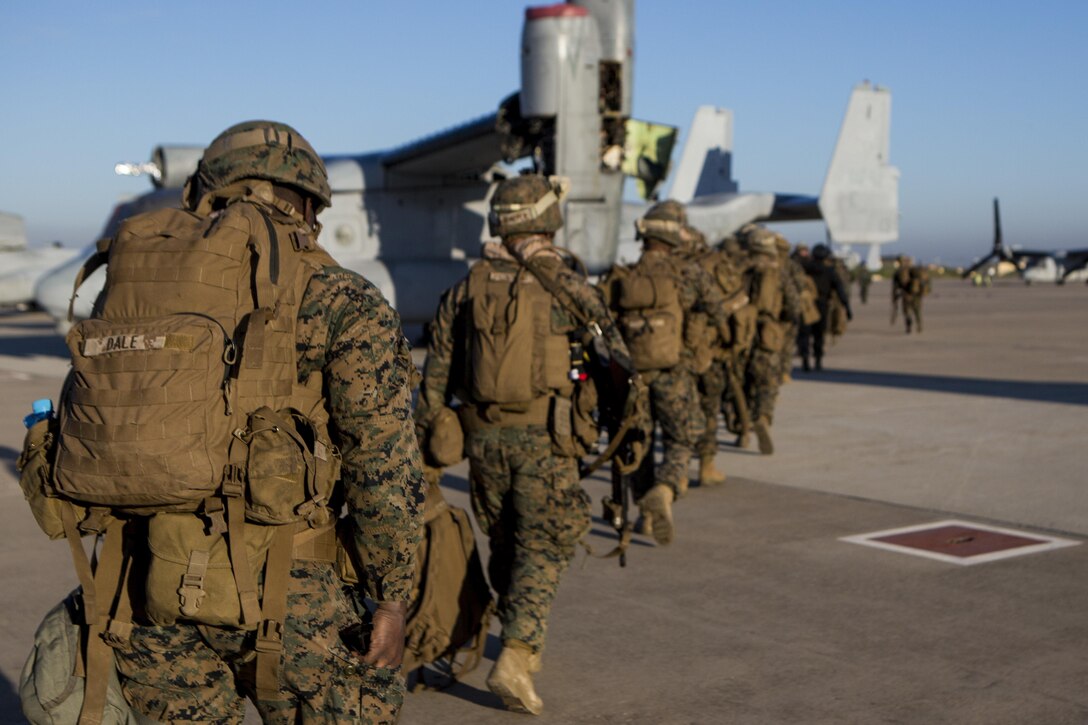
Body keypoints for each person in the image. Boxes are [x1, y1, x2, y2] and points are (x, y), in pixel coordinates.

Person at [58, 121, 426, 724]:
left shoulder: (138, 285)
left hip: (146, 591)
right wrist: (391, 600)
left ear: (206, 193)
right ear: (308, 202)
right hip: (290, 596)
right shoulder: (343, 299)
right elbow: (383, 467)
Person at [416, 174, 635, 715]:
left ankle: (518, 631)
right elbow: (621, 366)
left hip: (484, 440)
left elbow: (434, 382)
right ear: (546, 220)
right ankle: (516, 653)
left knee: (507, 540)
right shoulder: (569, 287)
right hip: (547, 438)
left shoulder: (464, 290)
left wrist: (428, 450)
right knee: (546, 542)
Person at [600, 201, 736, 537]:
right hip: (677, 372)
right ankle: (666, 490)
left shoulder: (625, 275)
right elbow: (719, 315)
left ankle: (645, 513)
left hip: (636, 376)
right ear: (675, 236)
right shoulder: (689, 273)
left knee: (640, 444)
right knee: (680, 438)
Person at [734, 226, 800, 454]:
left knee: (740, 383)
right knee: (767, 382)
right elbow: (794, 306)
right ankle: (762, 417)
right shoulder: (780, 272)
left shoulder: (740, 268)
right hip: (769, 332)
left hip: (741, 331)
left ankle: (742, 429)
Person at [798, 243, 853, 371]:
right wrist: (847, 307)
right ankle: (818, 360)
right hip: (822, 305)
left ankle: (805, 359)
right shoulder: (829, 271)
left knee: (804, 334)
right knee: (819, 335)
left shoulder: (804, 268)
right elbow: (840, 290)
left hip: (806, 306)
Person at [892, 254, 927, 333]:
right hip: (916, 294)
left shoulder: (899, 271)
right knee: (917, 311)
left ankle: (909, 326)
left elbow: (896, 286)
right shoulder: (914, 270)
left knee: (907, 312)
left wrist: (895, 296)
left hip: (906, 294)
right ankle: (919, 325)